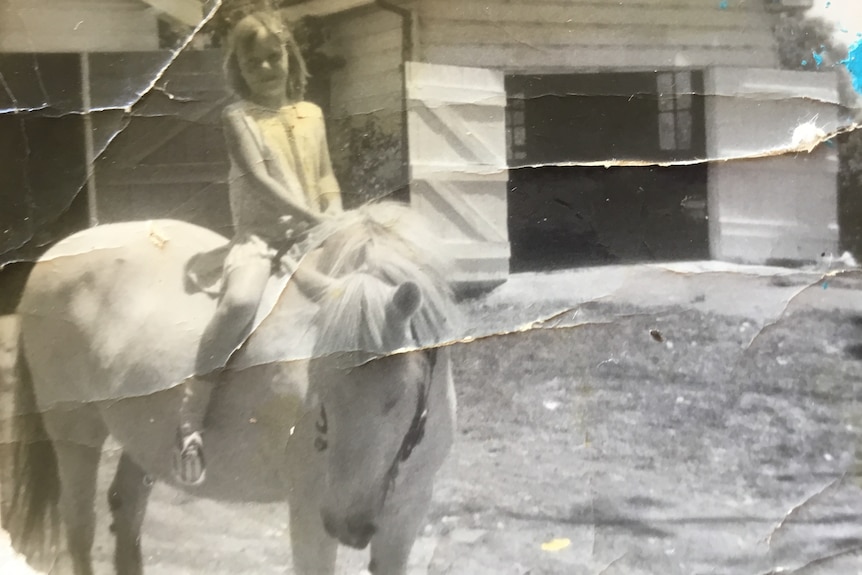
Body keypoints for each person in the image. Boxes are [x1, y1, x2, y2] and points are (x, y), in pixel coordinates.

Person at [173, 10, 342, 486]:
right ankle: (191, 416)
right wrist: (314, 215)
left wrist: (335, 213)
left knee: (355, 294)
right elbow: (261, 180)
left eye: (274, 56)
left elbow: (325, 174)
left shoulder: (312, 114)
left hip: (312, 238)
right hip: (261, 241)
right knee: (241, 303)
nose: (267, 69)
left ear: (289, 55)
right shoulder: (238, 118)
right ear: (239, 70)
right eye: (254, 63)